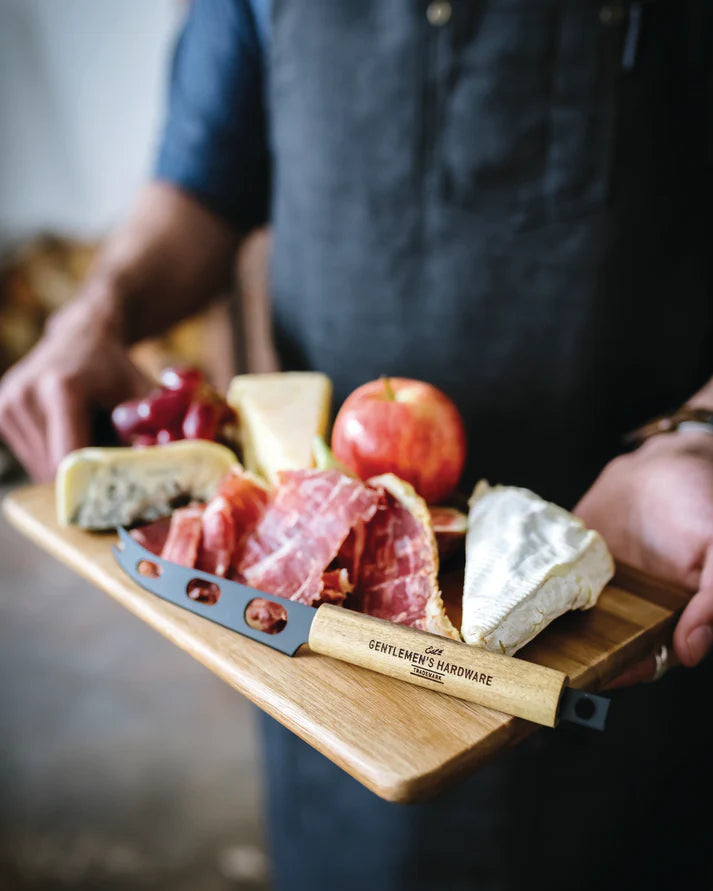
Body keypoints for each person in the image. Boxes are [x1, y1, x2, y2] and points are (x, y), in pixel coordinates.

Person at [1, 1, 712, 888]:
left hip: (631, 582)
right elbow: (200, 178)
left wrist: (702, 432)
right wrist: (96, 308)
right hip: (328, 590)